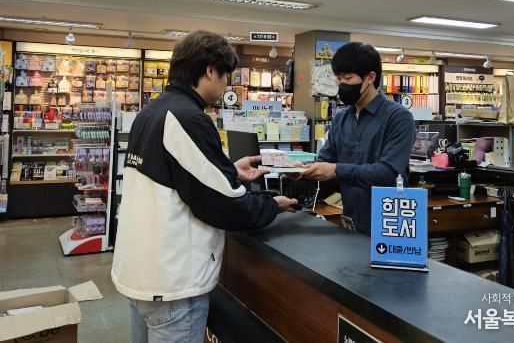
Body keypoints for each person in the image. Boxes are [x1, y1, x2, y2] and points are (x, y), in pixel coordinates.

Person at [111, 31, 297, 343]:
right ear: (210, 70)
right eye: (226, 76)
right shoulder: (188, 118)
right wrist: (272, 204)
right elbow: (225, 205)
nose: (226, 86)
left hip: (142, 272)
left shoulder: (152, 112)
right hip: (174, 283)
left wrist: (229, 171)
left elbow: (176, 177)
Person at [301, 42, 416, 234]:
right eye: (339, 79)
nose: (342, 85)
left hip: (389, 224)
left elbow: (389, 174)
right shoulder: (341, 118)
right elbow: (325, 160)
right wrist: (302, 170)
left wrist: (336, 170)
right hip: (351, 223)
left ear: (370, 77)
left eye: (348, 78)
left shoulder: (398, 118)